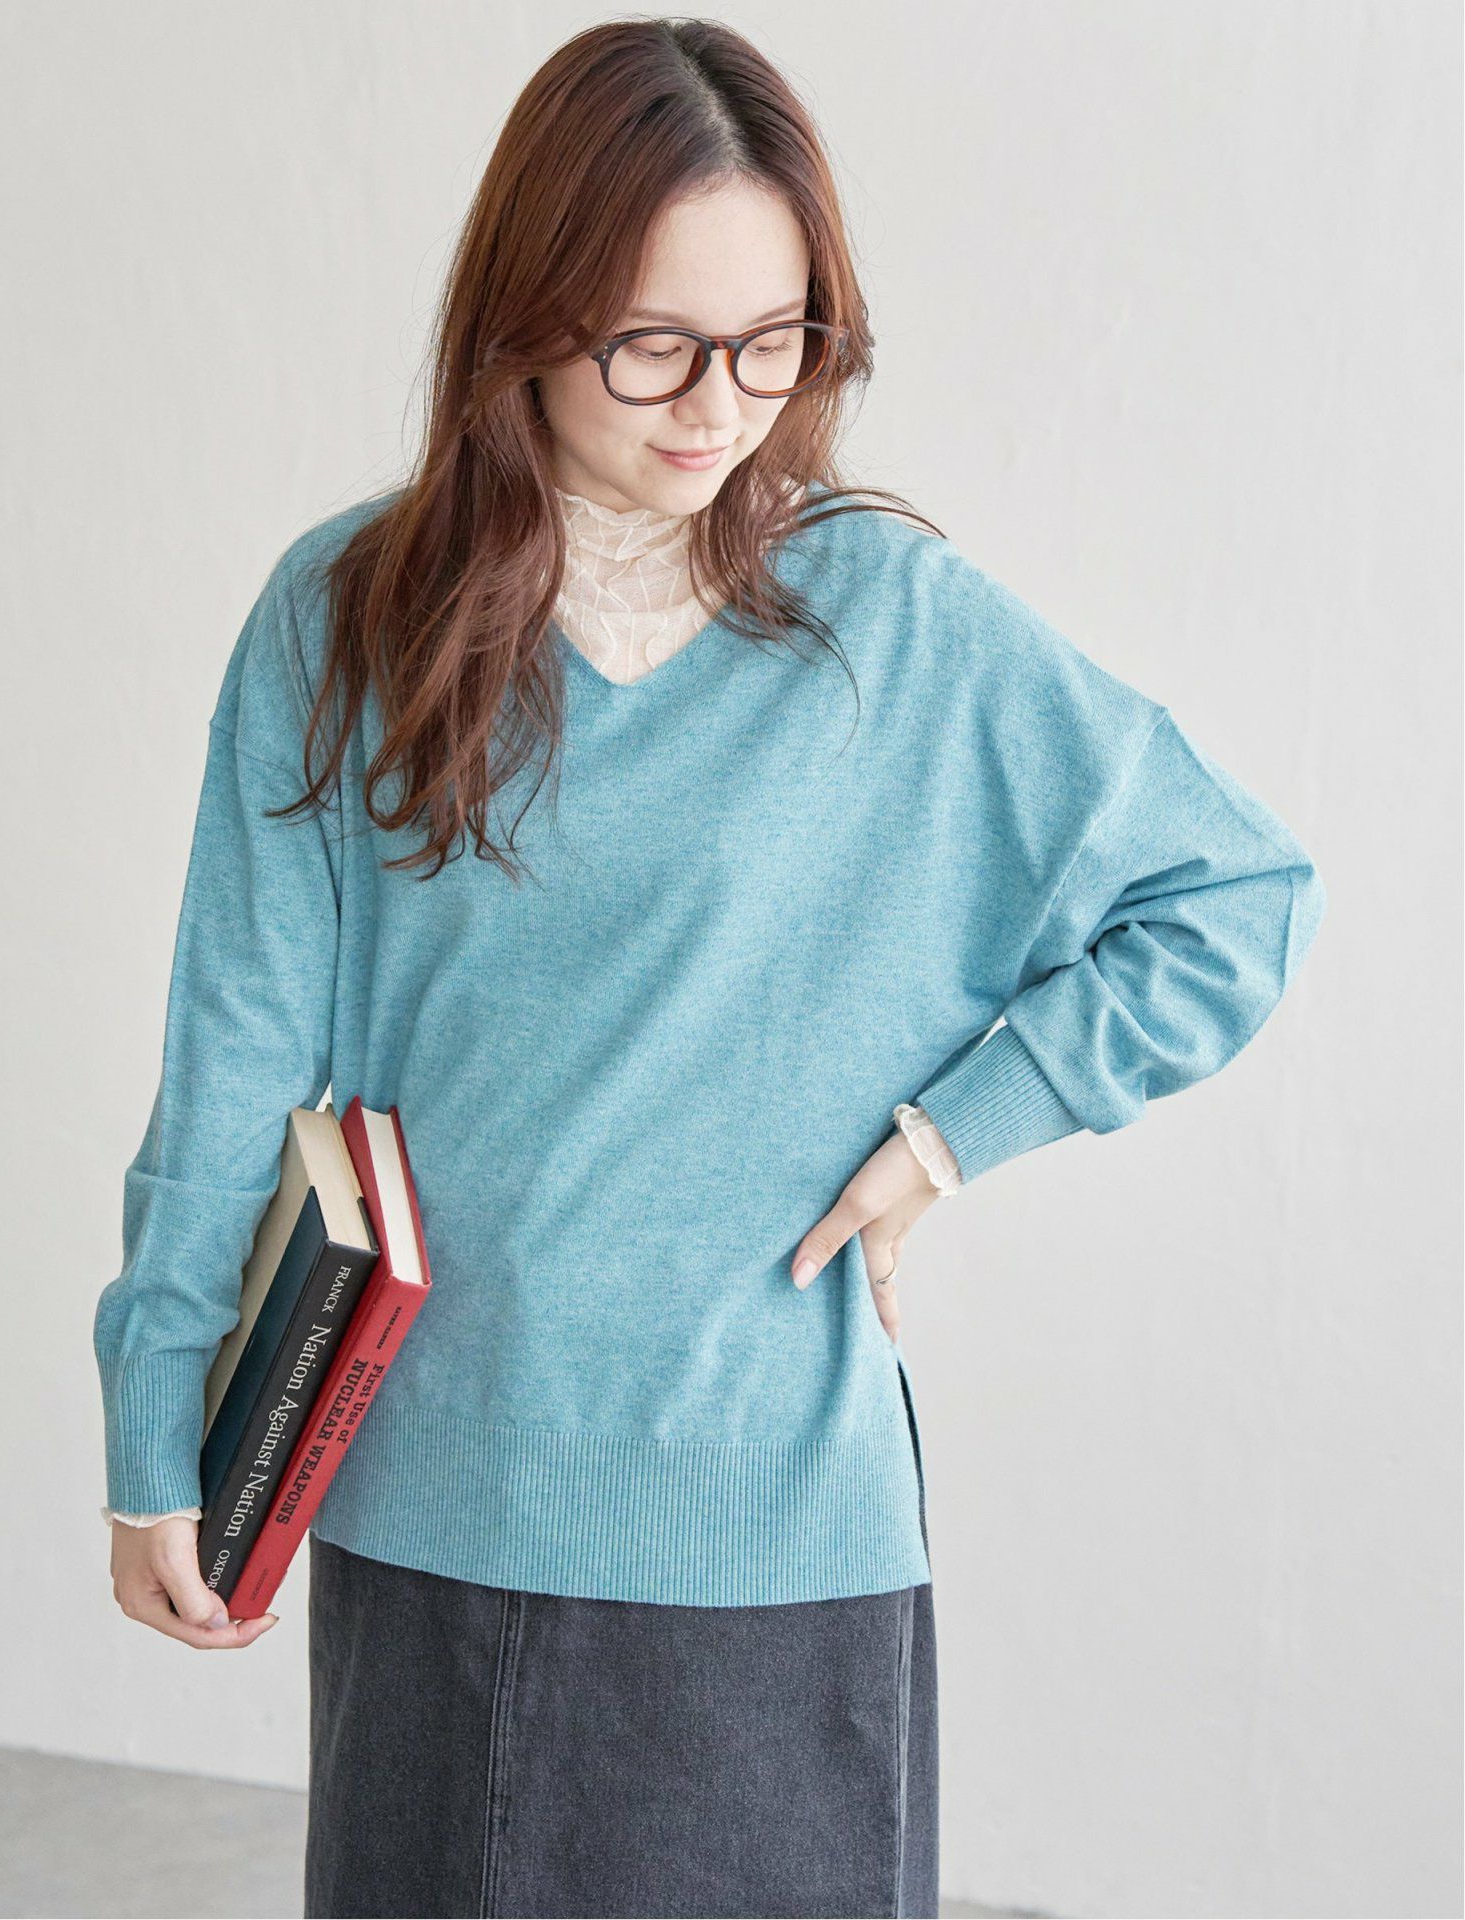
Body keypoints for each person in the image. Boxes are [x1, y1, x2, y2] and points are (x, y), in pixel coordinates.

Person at [91, 19, 1326, 1919]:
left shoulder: (893, 625)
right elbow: (233, 1051)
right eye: (653, 345)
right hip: (432, 1509)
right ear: (527, 315)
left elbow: (1232, 891)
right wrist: (156, 1419)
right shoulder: (347, 619)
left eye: (775, 342)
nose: (719, 405)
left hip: (775, 1541)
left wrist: (946, 1141)